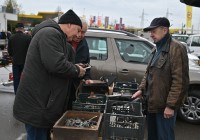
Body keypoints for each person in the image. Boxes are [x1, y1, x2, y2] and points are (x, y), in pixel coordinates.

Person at [13, 9, 86, 140]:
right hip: (37, 107)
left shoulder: (58, 37)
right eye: (77, 30)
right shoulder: (50, 34)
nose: (77, 34)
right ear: (69, 24)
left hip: (42, 104)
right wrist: (76, 70)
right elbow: (56, 64)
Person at [132, 17, 189, 140]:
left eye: (153, 31)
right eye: (150, 31)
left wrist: (171, 106)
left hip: (164, 107)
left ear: (165, 30)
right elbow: (149, 73)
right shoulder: (156, 48)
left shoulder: (176, 48)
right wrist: (141, 89)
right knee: (153, 136)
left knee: (165, 137)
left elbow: (180, 81)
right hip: (152, 104)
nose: (151, 34)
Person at [67, 19, 93, 109]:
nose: (79, 35)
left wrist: (87, 78)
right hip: (63, 86)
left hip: (75, 87)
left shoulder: (84, 43)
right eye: (78, 31)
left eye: (83, 32)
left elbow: (86, 63)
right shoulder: (63, 41)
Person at [7, 23, 31, 94]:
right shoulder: (28, 38)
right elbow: (30, 50)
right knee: (26, 79)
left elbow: (10, 51)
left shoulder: (11, 37)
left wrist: (13, 55)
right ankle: (26, 94)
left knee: (16, 79)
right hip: (26, 62)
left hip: (15, 61)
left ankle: (17, 94)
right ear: (23, 29)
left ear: (16, 29)